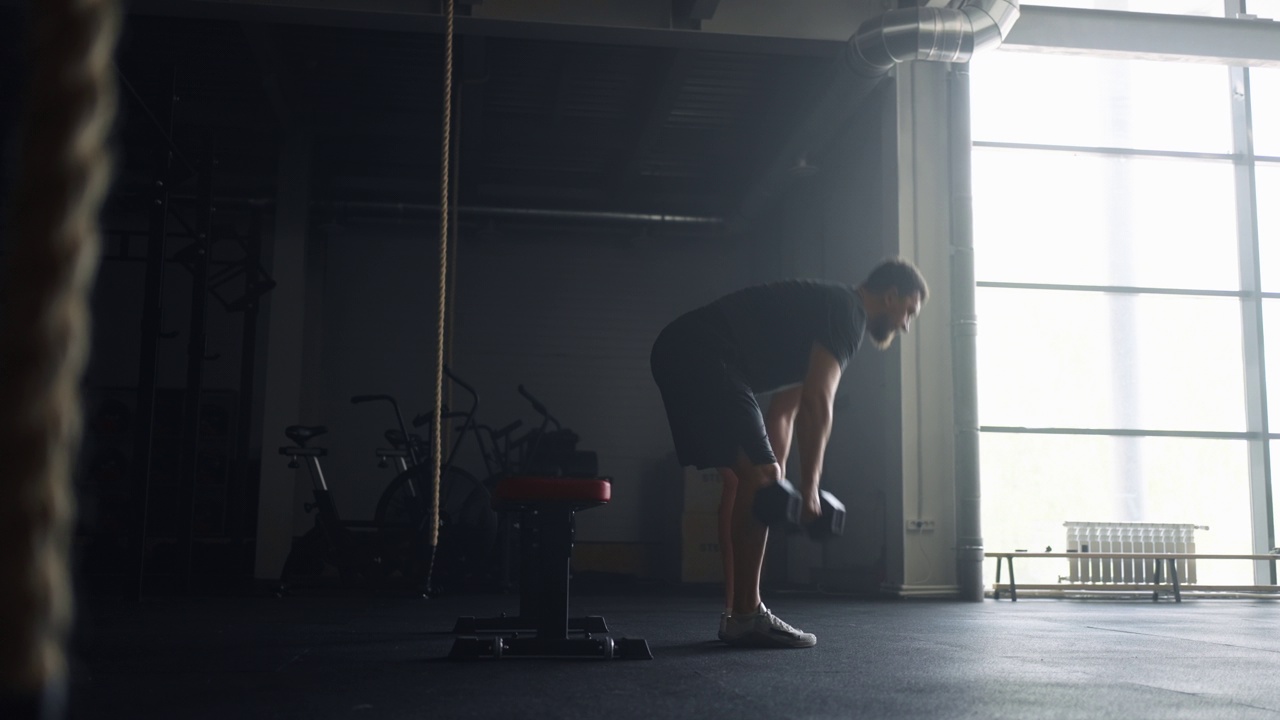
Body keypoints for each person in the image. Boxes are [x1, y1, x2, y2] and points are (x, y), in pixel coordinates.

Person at [650, 258, 927, 648]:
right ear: (891, 295)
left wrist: (772, 477)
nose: (905, 325)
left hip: (683, 350)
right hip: (705, 353)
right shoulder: (848, 314)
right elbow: (819, 403)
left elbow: (784, 411)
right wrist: (810, 488)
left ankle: (736, 612)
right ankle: (748, 616)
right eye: (909, 312)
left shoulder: (828, 312)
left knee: (745, 480)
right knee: (758, 476)